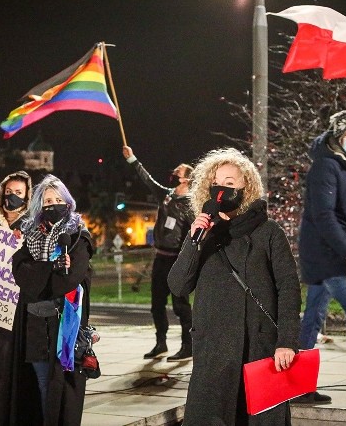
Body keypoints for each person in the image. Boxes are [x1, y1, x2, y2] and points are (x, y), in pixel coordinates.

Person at [167, 148, 301, 425]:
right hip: (213, 352)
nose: (222, 189)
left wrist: (286, 341)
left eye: (230, 182)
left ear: (246, 187)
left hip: (259, 348)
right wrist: (193, 241)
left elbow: (288, 288)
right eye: (217, 182)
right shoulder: (204, 234)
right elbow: (178, 286)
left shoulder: (268, 231)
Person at [296, 111, 346, 403]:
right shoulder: (326, 166)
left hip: (331, 250)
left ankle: (298, 387)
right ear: (338, 136)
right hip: (325, 254)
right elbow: (324, 215)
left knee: (312, 320)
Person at [7, 174, 93, 425]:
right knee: (42, 383)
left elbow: (71, 278)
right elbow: (20, 270)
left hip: (65, 326)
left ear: (67, 202)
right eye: (46, 200)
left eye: (57, 199)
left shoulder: (78, 236)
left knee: (63, 386)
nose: (52, 204)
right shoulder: (30, 234)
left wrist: (40, 275)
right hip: (35, 323)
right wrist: (49, 270)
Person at [123, 145, 194, 361]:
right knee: (156, 304)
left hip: (177, 261)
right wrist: (133, 159)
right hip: (160, 258)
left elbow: (193, 237)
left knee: (180, 305)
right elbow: (148, 180)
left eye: (178, 172)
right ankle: (160, 343)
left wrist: (189, 263)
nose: (173, 173)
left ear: (185, 180)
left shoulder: (190, 205)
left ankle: (187, 346)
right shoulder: (167, 197)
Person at [0, 171, 33, 426]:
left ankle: (16, 413)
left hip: (22, 308)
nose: (12, 197)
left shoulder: (33, 226)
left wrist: (24, 243)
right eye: (9, 192)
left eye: (19, 193)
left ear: (27, 197)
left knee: (21, 364)